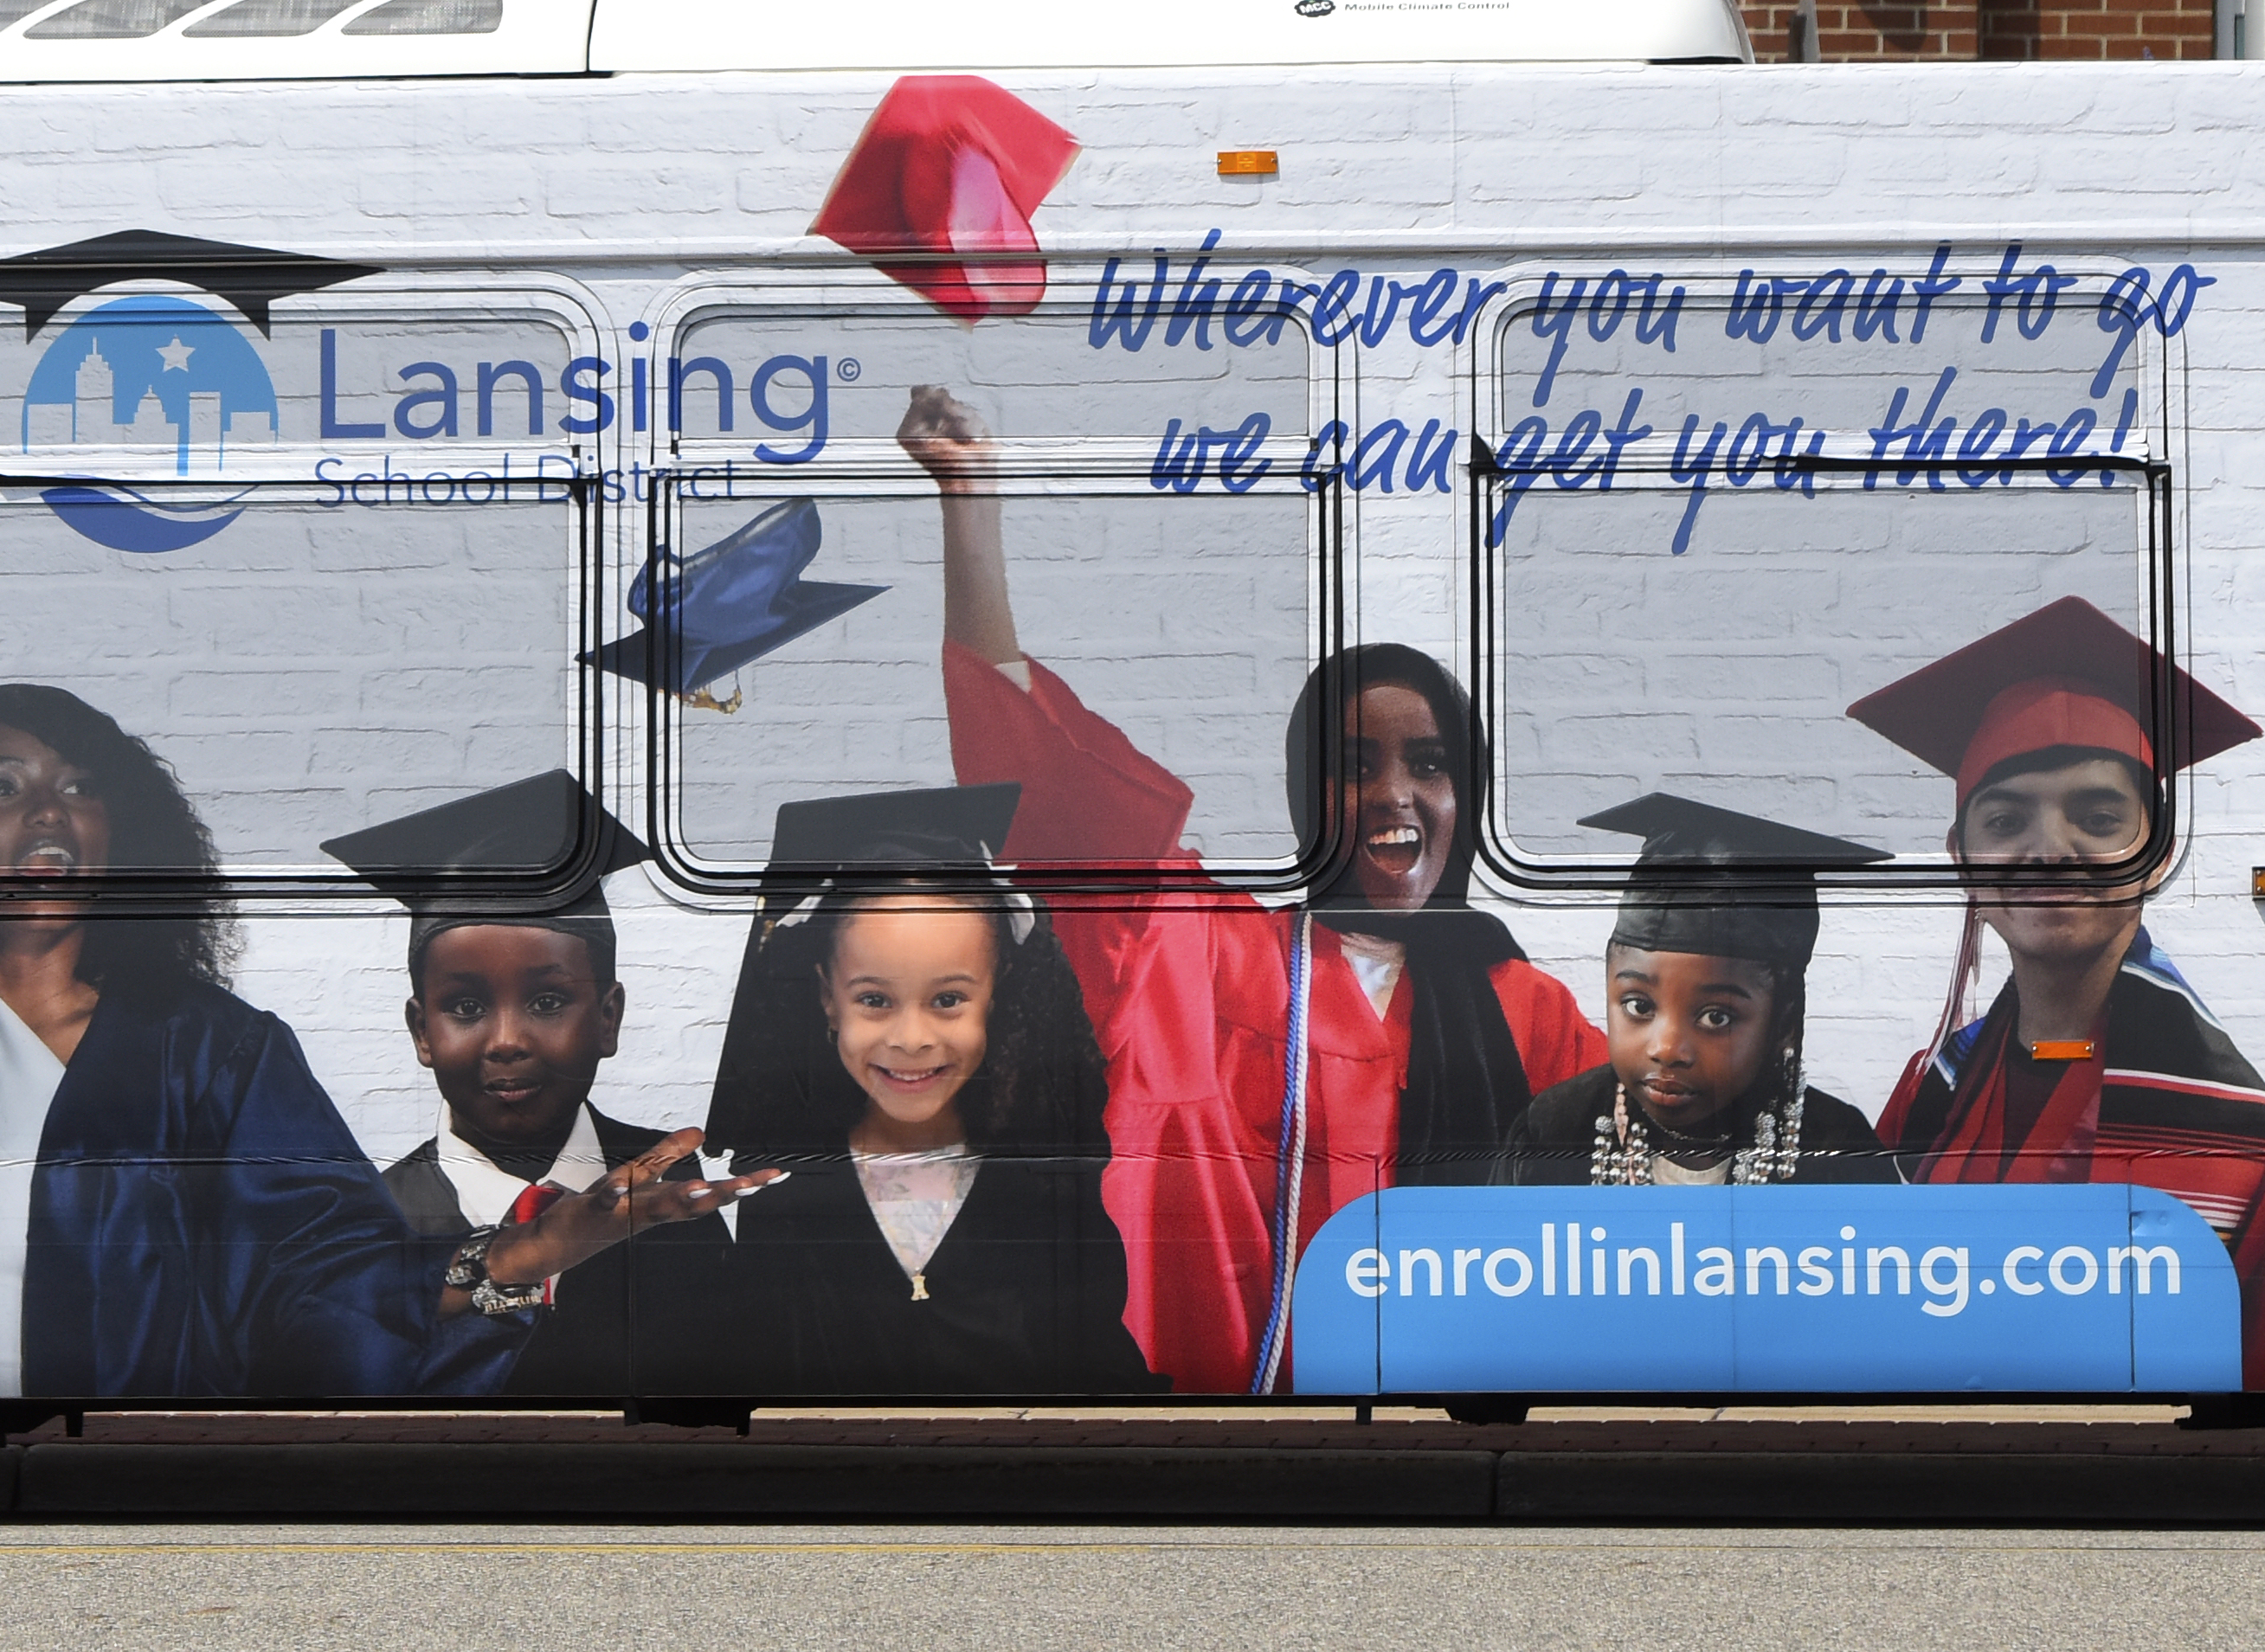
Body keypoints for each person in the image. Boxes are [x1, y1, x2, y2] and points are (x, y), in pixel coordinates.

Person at [898, 382, 1605, 1393]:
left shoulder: (1531, 1015)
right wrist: (970, 506)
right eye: (1354, 763)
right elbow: (1052, 790)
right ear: (1301, 793)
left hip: (1458, 1418)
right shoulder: (1210, 958)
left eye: (1431, 763)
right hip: (1243, 1424)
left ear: (1468, 793)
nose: (1394, 794)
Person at [0, 683, 454, 1403]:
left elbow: (327, 1266)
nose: (50, 811)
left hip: (126, 1463)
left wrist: (495, 1267)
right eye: (0, 786)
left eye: (81, 787)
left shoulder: (212, 1051)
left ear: (114, 831)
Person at [1850, 598, 2265, 1391]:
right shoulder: (1927, 1097)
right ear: (1961, 858)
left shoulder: (2257, 1159)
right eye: (2005, 820)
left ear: (2158, 850)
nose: (2050, 852)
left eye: (2096, 816)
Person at [527, 783, 1149, 1404]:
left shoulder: (1044, 1191)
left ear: (998, 992)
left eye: (948, 1000)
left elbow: (1099, 1371)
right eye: (874, 1000)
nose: (911, 1038)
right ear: (827, 997)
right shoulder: (777, 1191)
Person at [318, 772, 698, 1259]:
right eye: (467, 1007)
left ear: (608, 1019)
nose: (506, 1041)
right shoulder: (374, 1225)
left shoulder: (667, 1182)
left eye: (547, 1002)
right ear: (422, 1033)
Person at [1496, 792, 1904, 1190]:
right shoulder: (1554, 1130)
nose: (1667, 1048)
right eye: (1638, 1006)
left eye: (1716, 1017)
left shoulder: (1835, 1149)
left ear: (1782, 1019)